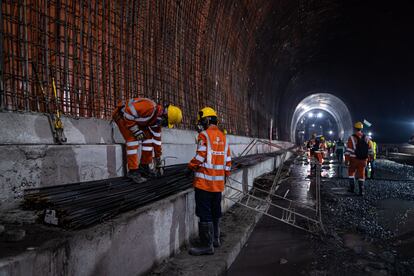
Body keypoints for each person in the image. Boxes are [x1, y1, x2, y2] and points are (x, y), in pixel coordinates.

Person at [185, 107, 231, 255]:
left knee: (204, 213)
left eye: (202, 121)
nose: (201, 124)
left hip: (204, 184)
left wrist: (190, 167)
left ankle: (206, 245)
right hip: (218, 184)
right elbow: (228, 161)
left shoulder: (204, 135)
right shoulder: (223, 138)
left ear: (206, 120)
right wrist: (224, 176)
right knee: (215, 211)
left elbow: (200, 156)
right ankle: (215, 239)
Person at [112, 98, 182, 183]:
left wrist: (158, 158)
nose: (164, 125)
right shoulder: (149, 107)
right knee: (132, 140)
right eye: (166, 122)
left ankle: (144, 167)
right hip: (122, 116)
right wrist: (135, 130)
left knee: (148, 138)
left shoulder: (156, 121)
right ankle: (133, 172)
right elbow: (128, 112)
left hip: (134, 120)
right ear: (165, 115)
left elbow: (157, 141)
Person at [345, 121, 374, 195]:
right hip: (363, 159)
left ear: (355, 128)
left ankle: (352, 189)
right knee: (362, 174)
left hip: (353, 159)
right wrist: (370, 158)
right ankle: (361, 191)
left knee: (351, 172)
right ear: (361, 128)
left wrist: (346, 160)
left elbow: (348, 150)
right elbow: (371, 150)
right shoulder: (367, 138)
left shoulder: (351, 138)